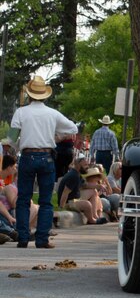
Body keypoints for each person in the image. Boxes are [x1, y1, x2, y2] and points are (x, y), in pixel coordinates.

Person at [9, 76, 78, 248]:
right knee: (46, 200)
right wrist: (57, 136)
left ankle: (23, 237)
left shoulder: (21, 112)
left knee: (23, 199)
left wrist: (19, 146)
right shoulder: (52, 114)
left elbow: (11, 138)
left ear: (30, 94)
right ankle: (42, 239)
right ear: (44, 95)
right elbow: (73, 128)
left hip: (27, 156)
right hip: (46, 157)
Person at [57, 157, 106, 225]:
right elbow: (65, 192)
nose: (87, 167)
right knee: (87, 204)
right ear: (78, 165)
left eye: (87, 165)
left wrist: (99, 186)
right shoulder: (73, 176)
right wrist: (61, 207)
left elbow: (85, 185)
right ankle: (92, 220)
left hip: (75, 199)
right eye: (85, 165)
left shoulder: (77, 173)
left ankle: (95, 216)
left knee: (93, 191)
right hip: (69, 202)